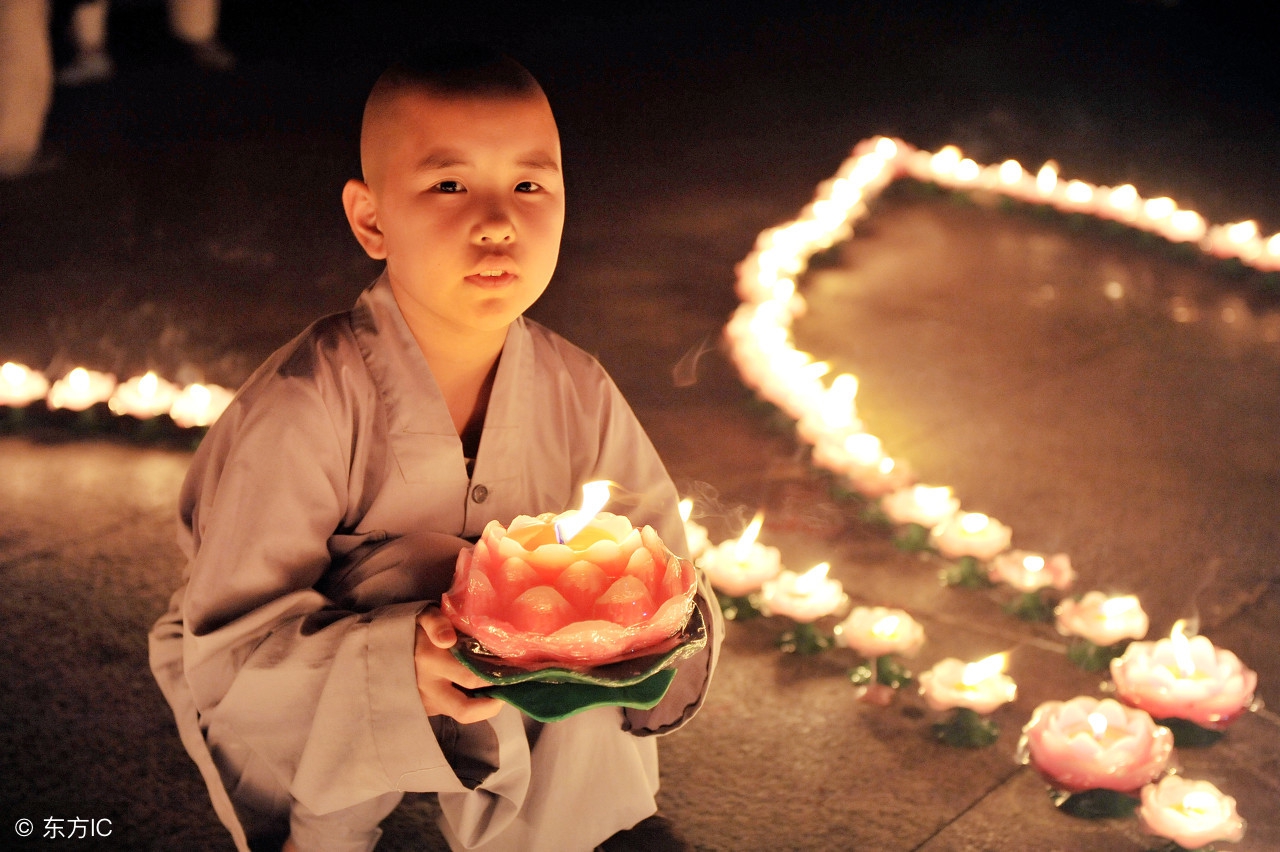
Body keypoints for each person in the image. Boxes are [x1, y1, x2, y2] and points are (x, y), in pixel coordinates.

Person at [148, 46, 722, 852]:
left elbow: (665, 561)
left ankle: (586, 838)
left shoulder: (577, 387)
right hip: (315, 669)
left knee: (583, 635)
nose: (497, 221)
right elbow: (234, 643)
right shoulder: (305, 402)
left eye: (530, 185)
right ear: (371, 219)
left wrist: (634, 624)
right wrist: (399, 661)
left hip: (506, 681)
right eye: (449, 184)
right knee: (434, 578)